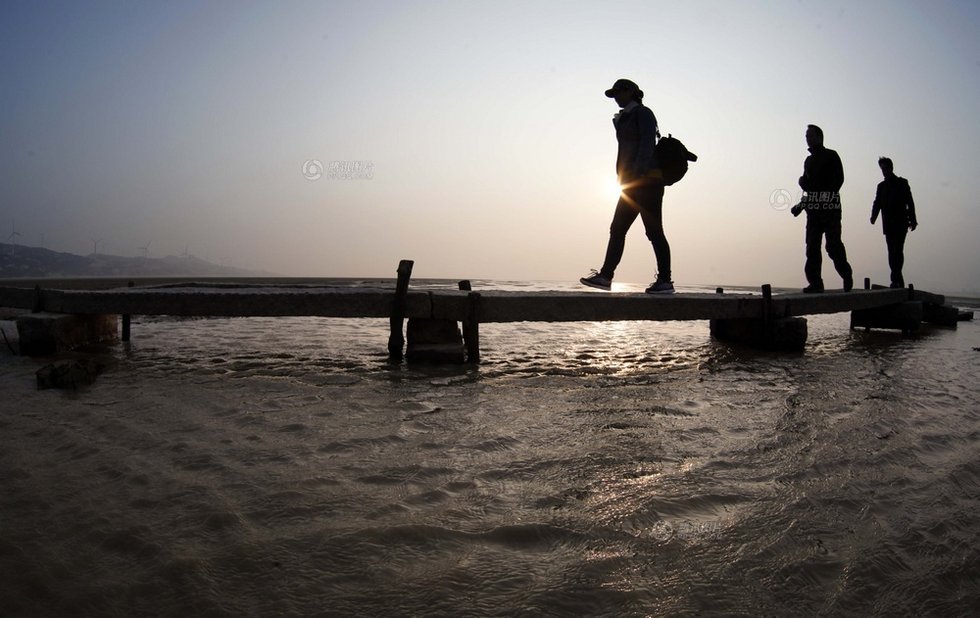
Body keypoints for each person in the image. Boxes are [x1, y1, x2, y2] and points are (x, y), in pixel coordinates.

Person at [580, 78, 674, 294]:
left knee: (653, 231)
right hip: (631, 184)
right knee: (618, 229)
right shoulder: (625, 117)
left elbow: (647, 143)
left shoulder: (643, 113)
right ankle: (605, 276)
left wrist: (637, 173)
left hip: (646, 182)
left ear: (631, 92)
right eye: (613, 95)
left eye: (618, 94)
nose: (616, 98)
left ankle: (665, 281)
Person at [791, 124, 853, 293]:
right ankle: (815, 283)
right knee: (812, 247)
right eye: (806, 136)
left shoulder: (831, 156)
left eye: (810, 135)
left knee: (832, 246)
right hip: (813, 212)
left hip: (830, 210)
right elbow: (809, 188)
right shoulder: (808, 161)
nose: (807, 138)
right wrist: (800, 205)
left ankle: (846, 274)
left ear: (819, 137)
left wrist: (824, 197)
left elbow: (838, 180)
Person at [870, 157, 917, 288]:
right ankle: (897, 280)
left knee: (898, 250)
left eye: (886, 168)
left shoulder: (902, 183)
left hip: (901, 222)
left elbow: (910, 202)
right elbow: (877, 203)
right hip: (888, 224)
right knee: (891, 251)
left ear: (891, 168)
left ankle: (895, 279)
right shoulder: (881, 187)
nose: (884, 171)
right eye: (882, 169)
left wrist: (913, 220)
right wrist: (873, 216)